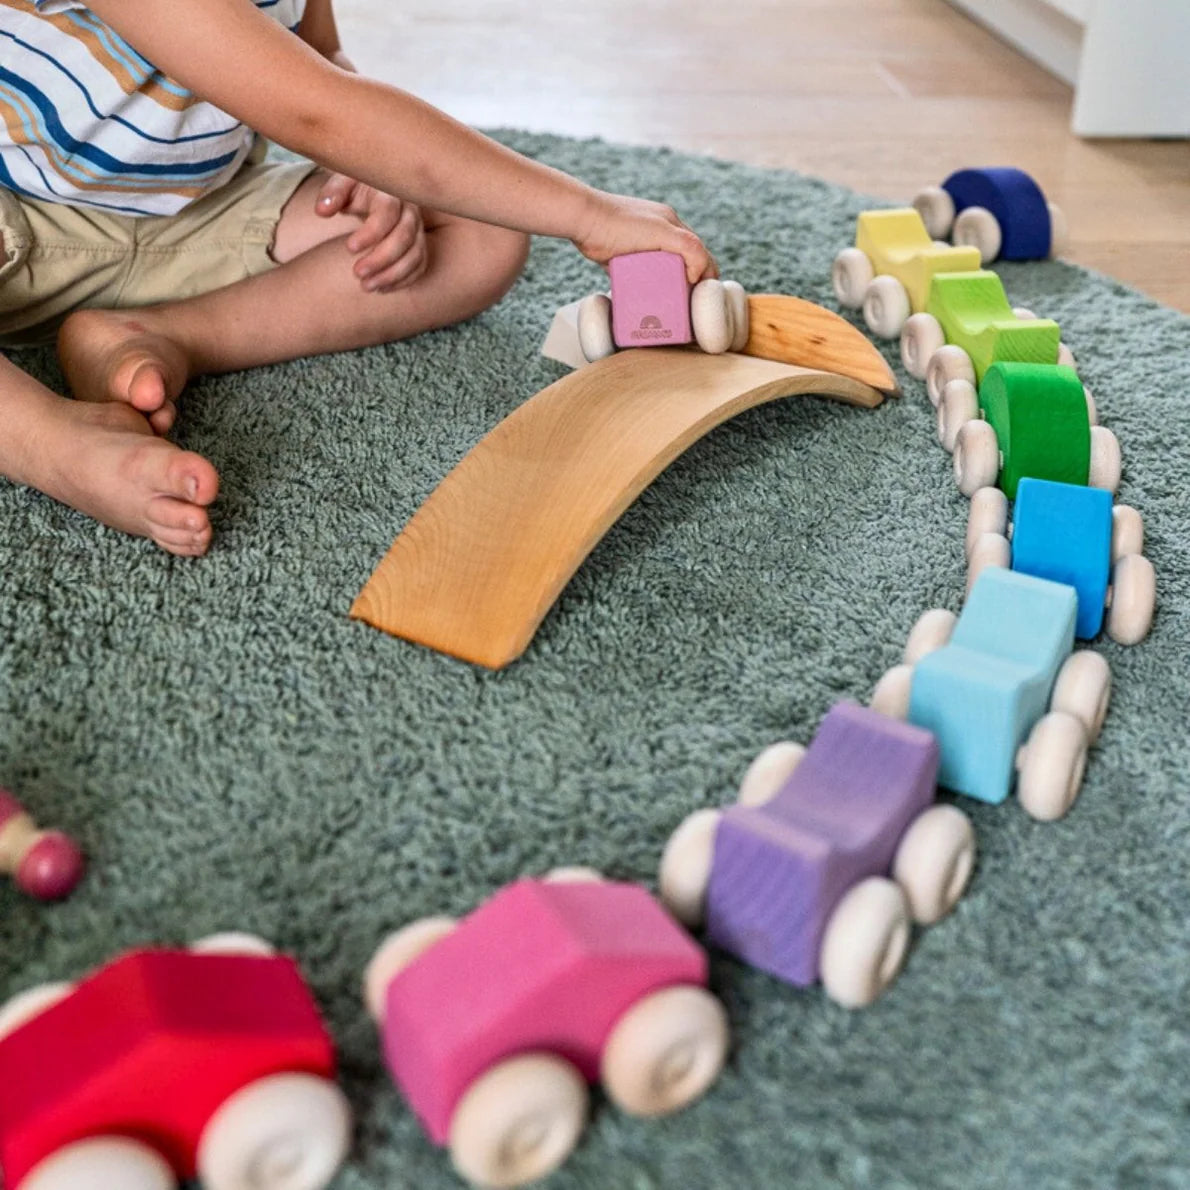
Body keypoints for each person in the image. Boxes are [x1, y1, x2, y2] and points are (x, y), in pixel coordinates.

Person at [0, 0, 717, 555]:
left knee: (479, 230)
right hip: (19, 232)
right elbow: (313, 111)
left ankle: (161, 335)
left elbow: (321, 63)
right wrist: (587, 211)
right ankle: (52, 443)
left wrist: (365, 168)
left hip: (192, 221)